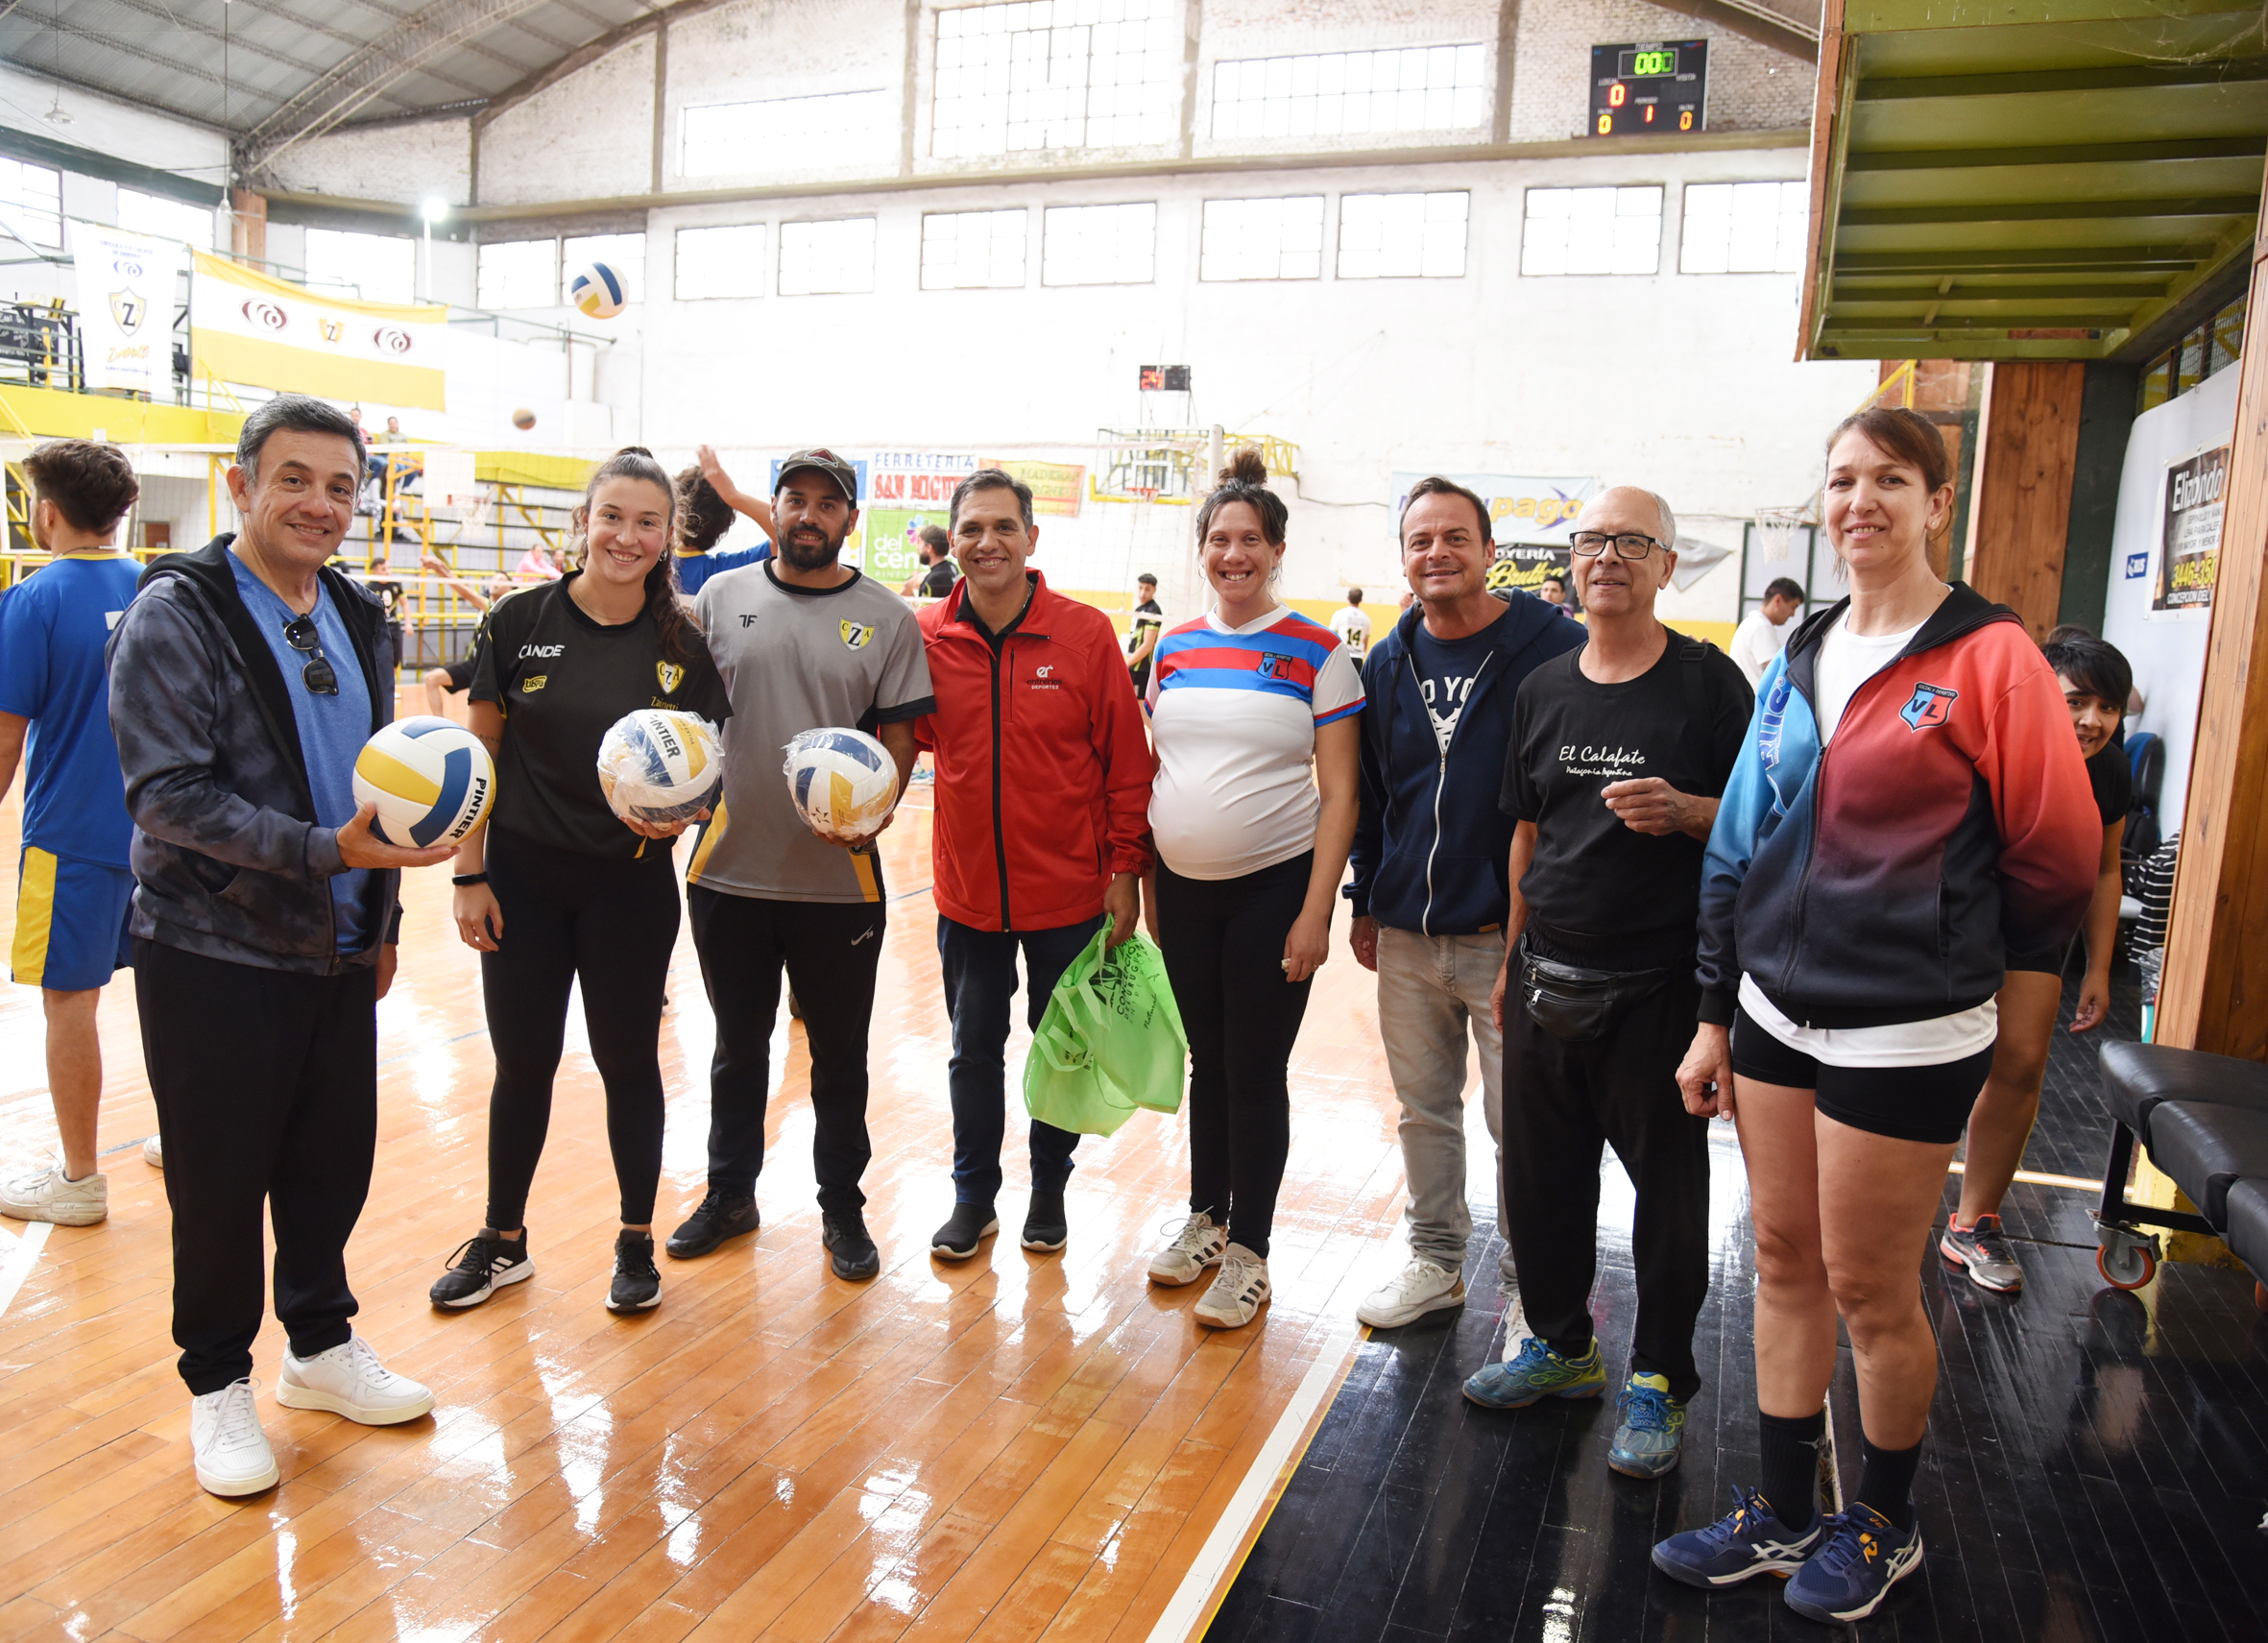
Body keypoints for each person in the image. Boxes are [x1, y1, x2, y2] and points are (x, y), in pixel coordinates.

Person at [1653, 407, 2095, 1623]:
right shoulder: (1800, 651)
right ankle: (1785, 1514)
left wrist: (1975, 980)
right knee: (1783, 1262)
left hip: (1905, 1027)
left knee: (1870, 1288)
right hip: (1769, 1015)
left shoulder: (1989, 656)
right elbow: (1737, 844)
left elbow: (2056, 856)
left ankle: (1883, 1523)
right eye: (1842, 479)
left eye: (1889, 480)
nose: (1860, 501)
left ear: (1936, 500)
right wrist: (1711, 1012)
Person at [108, 394, 455, 1498]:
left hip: (338, 946)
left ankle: (316, 1348)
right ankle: (218, 1385)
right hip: (213, 946)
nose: (319, 503)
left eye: (341, 486)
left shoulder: (358, 612)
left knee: (327, 1165)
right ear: (242, 486)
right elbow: (167, 795)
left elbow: (383, 785)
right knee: (219, 1181)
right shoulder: (179, 611)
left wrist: (380, 913)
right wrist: (322, 853)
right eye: (295, 479)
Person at [1461, 487, 1752, 1486]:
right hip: (1548, 975)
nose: (1608, 557)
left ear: (1667, 564)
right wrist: (1509, 959)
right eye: (1591, 541)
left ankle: (1660, 1378)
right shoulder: (1542, 690)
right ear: (1569, 562)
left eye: (1633, 542)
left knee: (1669, 1201)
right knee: (1538, 1184)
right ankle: (1559, 1346)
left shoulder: (1710, 687)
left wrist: (1684, 809)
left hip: (1661, 988)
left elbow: (1758, 831)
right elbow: (1525, 833)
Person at [426, 447, 732, 1317]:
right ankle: (502, 1240)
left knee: (628, 1061)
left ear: (668, 536)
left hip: (628, 890)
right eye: (612, 517)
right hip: (520, 882)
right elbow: (476, 755)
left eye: (647, 522)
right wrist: (468, 874)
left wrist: (685, 814)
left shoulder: (683, 643)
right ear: (582, 523)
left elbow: (705, 774)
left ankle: (636, 1240)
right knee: (522, 1062)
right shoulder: (519, 619)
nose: (627, 537)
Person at [669, 447, 934, 1281]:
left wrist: (878, 811)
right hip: (727, 869)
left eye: (828, 503)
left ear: (850, 519)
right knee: (736, 1049)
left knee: (841, 1055)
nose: (809, 515)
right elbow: (680, 711)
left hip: (837, 881)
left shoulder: (887, 617)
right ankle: (729, 1193)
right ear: (774, 509)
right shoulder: (721, 596)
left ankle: (843, 1208)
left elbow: (900, 737)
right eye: (795, 499)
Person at [1345, 478, 1584, 1329]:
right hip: (1408, 931)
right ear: (1403, 559)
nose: (1436, 553)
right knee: (1421, 1110)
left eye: (1455, 538)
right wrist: (1364, 895)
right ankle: (1437, 1259)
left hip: (1509, 934)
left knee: (1520, 1120)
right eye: (1419, 541)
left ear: (1490, 551)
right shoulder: (1387, 658)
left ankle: (1532, 1280)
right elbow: (1374, 793)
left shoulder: (1555, 646)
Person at [1143, 447, 1363, 1328]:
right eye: (1219, 539)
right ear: (1203, 550)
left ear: (1276, 550)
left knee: (1255, 1066)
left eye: (1250, 540)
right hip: (1183, 892)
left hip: (1274, 890)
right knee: (1209, 1063)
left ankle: (1252, 1250)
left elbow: (1340, 792)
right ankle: (1207, 1216)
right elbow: (1162, 763)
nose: (1233, 553)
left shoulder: (1317, 650)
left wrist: (1315, 912)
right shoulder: (1176, 647)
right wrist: (1155, 887)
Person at [914, 468, 1154, 1259]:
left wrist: (1126, 871)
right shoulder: (928, 638)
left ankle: (1048, 1189)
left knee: (1062, 1052)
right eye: (971, 529)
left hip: (1071, 897)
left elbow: (1127, 764)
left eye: (1003, 528)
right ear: (953, 540)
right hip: (968, 895)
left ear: (1031, 540)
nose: (987, 543)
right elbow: (893, 744)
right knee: (971, 1051)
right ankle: (972, 1197)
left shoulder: (1083, 635)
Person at [1939, 632, 2133, 1293]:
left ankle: (1972, 1223)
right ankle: (1881, 1207)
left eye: (2107, 707)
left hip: (2037, 932)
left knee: (2019, 1063)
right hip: (1950, 919)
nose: (2092, 720)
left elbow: (2107, 869)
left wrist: (2099, 967)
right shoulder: (1984, 741)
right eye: (2078, 700)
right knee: (1930, 1067)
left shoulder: (2109, 767)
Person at [0, 441, 150, 1225]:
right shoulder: (165, 587)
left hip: (70, 842)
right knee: (173, 992)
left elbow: (4, 740)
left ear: (47, 511)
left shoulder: (34, 598)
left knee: (70, 1004)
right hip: (167, 836)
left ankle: (81, 1179)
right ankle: (182, 1135)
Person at [417, 552, 512, 717]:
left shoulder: (499, 607)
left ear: (510, 588)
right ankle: (440, 724)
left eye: (501, 580)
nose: (496, 582)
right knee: (431, 679)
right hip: (474, 665)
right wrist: (440, 566)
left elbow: (467, 593)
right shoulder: (485, 605)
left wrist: (440, 570)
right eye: (494, 579)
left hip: (490, 670)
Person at [672, 462, 772, 596]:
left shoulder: (654, 560)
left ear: (677, 513)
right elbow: (782, 535)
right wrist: (733, 496)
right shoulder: (722, 571)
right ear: (724, 523)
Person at [1730, 577, 1805, 687]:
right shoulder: (1761, 627)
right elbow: (1775, 671)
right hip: (1754, 700)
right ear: (1778, 600)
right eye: (1793, 607)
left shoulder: (1751, 623)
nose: (1793, 614)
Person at [1124, 572, 1163, 692]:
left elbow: (1147, 645)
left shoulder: (1153, 610)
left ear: (1154, 590)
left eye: (1147, 589)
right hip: (1133, 666)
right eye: (1140, 588)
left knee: (1139, 707)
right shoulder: (1139, 609)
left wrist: (1125, 664)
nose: (1142, 593)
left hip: (1142, 668)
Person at [1329, 587, 1371, 661]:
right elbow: (1366, 641)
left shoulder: (1339, 614)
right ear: (1361, 600)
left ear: (1348, 598)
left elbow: (1331, 635)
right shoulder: (1366, 618)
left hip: (1342, 656)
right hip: (1358, 657)